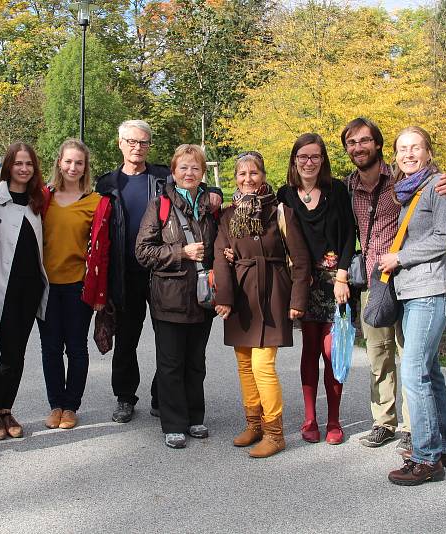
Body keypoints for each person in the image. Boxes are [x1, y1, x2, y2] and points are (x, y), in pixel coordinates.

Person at [341, 117, 446, 452]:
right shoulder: (348, 185)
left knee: (411, 357)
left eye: (365, 141)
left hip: (412, 278)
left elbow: (440, 191)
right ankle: (384, 421)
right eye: (352, 143)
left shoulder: (398, 179)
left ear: (379, 146)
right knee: (378, 354)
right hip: (376, 279)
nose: (359, 148)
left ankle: (416, 431)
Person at [95, 119, 221, 424]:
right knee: (127, 340)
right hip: (126, 273)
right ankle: (125, 396)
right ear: (120, 144)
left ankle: (160, 395)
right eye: (132, 142)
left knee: (168, 342)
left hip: (165, 275)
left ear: (149, 146)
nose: (138, 148)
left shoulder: (161, 176)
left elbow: (193, 181)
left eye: (143, 142)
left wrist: (215, 190)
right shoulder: (107, 184)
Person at [213, 151, 310, 458]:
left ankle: (274, 432)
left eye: (253, 173)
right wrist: (224, 298)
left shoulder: (280, 212)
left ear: (264, 176)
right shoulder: (228, 216)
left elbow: (302, 260)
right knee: (244, 364)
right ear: (235, 179)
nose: (248, 179)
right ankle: (253, 424)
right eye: (242, 174)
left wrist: (297, 300)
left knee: (262, 365)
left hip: (273, 293)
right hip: (241, 295)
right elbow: (220, 255)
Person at [379, 126, 446, 485]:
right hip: (413, 291)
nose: (408, 154)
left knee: (414, 372)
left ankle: (427, 459)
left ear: (428, 152)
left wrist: (400, 257)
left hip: (430, 290)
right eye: (402, 149)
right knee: (430, 370)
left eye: (416, 148)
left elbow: (445, 238)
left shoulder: (440, 185)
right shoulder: (409, 189)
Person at [135, 144, 217, 449]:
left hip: (201, 298)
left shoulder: (210, 206)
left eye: (195, 167)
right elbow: (142, 252)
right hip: (168, 297)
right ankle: (173, 423)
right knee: (170, 363)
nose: (189, 173)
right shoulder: (160, 206)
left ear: (203, 173)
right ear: (173, 172)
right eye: (183, 167)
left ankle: (195, 416)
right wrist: (180, 252)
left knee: (196, 361)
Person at [276, 133, 356, 445]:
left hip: (337, 283)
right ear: (294, 160)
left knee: (332, 351)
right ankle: (310, 418)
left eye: (315, 156)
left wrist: (342, 276)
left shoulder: (337, 190)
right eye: (303, 157)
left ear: (323, 160)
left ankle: (334, 420)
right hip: (303, 284)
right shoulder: (284, 195)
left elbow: (350, 235)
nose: (309, 162)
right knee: (310, 350)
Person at [37, 139, 109, 431]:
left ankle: (71, 406)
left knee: (76, 348)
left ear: (85, 167)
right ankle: (56, 404)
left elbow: (103, 252)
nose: (72, 167)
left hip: (78, 285)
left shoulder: (96, 202)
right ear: (59, 163)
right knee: (50, 348)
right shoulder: (43, 197)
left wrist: (100, 293)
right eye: (68, 161)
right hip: (45, 286)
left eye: (79, 163)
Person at [0, 143, 49, 440]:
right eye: (18, 163)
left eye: (29, 164)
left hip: (30, 288)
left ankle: (6, 410)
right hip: (3, 287)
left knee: (18, 354)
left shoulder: (38, 199)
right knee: (8, 353)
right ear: (8, 166)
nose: (24, 169)